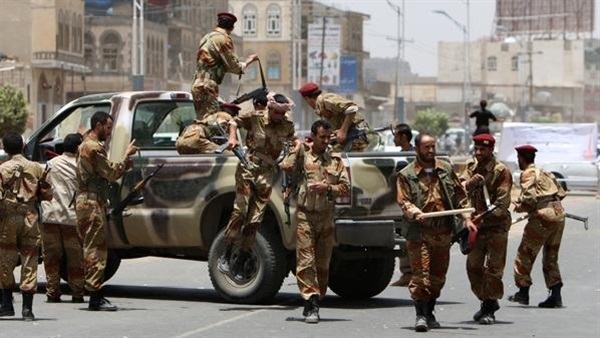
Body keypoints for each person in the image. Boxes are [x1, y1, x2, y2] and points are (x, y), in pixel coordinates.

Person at [396, 133, 476, 332]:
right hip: (420, 233)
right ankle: (421, 314)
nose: (431, 151)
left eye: (433, 146)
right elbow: (404, 201)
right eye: (426, 147)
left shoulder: (445, 169)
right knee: (421, 277)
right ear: (417, 149)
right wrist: (415, 212)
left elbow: (460, 196)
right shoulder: (406, 175)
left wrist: (466, 218)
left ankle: (430, 310)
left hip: (443, 232)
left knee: (437, 277)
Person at [218, 93, 301, 281]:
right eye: (276, 112)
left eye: (282, 113)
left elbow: (295, 140)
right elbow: (233, 122)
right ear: (269, 109)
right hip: (249, 167)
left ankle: (241, 258)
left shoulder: (286, 126)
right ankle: (226, 252)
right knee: (241, 210)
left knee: (255, 219)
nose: (279, 116)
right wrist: (233, 138)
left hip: (267, 173)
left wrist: (295, 152)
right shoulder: (256, 118)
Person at [280, 120, 350, 324]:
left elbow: (345, 188)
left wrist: (327, 188)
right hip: (305, 216)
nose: (326, 141)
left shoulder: (334, 160)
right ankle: (311, 303)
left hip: (326, 218)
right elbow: (285, 166)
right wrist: (298, 148)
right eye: (322, 137)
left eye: (329, 137)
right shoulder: (303, 155)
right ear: (313, 136)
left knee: (322, 264)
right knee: (306, 261)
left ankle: (317, 297)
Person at [76, 111, 138, 311]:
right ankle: (95, 297)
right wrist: (126, 157)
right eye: (108, 127)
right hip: (92, 203)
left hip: (88, 201)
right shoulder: (93, 148)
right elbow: (111, 173)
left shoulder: (86, 143)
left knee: (91, 247)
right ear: (98, 125)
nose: (110, 132)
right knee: (96, 250)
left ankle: (93, 293)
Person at [459, 134, 512, 324]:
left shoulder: (501, 171)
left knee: (494, 269)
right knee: (473, 267)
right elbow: (459, 188)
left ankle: (489, 306)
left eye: (483, 149)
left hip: (496, 226)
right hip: (477, 228)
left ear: (491, 150)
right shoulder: (471, 167)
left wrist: (480, 216)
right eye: (476, 149)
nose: (479, 153)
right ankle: (487, 299)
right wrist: (469, 183)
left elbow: (502, 203)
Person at [0, 131, 53, 321]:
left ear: (5, 148)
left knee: (5, 259)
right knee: (30, 260)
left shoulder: (2, 168)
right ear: (23, 146)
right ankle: (27, 310)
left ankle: (6, 305)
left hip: (8, 219)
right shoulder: (37, 168)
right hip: (30, 217)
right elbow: (48, 194)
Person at [508, 145, 567, 308]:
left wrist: (519, 206)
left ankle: (523, 292)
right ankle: (555, 294)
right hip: (558, 213)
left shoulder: (528, 173)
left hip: (543, 217)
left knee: (525, 254)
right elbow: (561, 193)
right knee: (551, 255)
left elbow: (529, 198)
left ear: (521, 158)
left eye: (518, 158)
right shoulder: (545, 172)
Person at [40, 133, 85, 304]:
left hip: (50, 217)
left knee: (51, 258)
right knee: (75, 257)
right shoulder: (80, 166)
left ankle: (52, 292)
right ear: (77, 148)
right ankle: (77, 293)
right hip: (71, 219)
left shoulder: (51, 164)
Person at [191, 12, 258, 119]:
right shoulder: (223, 39)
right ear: (232, 27)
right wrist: (249, 61)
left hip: (197, 83)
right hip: (208, 85)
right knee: (213, 122)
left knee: (202, 120)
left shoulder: (206, 37)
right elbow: (234, 67)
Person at [298, 82, 371, 152]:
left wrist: (343, 131)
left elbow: (352, 108)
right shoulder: (320, 108)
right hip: (349, 136)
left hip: (356, 134)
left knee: (333, 159)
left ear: (307, 98)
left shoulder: (326, 99)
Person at [390, 123, 414, 287]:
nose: (394, 139)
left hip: (411, 204)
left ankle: (410, 274)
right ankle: (408, 274)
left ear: (403, 137)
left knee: (409, 238)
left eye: (396, 136)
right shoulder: (404, 155)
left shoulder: (412, 156)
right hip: (403, 205)